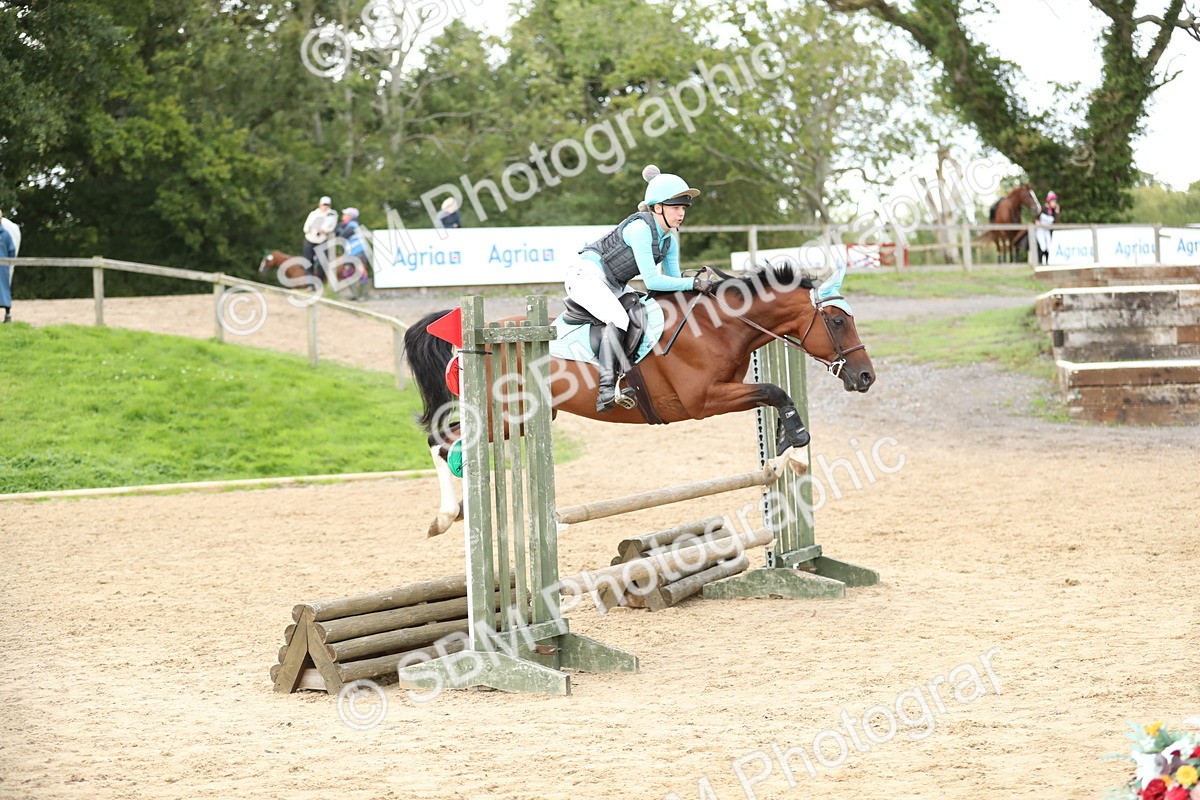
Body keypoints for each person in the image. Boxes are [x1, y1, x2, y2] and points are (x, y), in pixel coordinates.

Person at [565, 164, 717, 412]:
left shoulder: (669, 241)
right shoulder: (639, 229)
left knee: (645, 311)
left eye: (683, 208)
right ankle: (605, 390)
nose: (681, 214)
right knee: (619, 319)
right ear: (658, 208)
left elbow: (672, 285)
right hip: (585, 276)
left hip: (613, 284)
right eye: (675, 208)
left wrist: (698, 286)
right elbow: (653, 282)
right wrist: (694, 283)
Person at [334, 207, 370, 300]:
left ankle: (363, 295)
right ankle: (356, 294)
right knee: (347, 273)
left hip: (359, 252)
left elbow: (342, 236)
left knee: (362, 273)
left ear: (350, 216)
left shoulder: (353, 225)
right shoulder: (347, 225)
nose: (343, 216)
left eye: (345, 214)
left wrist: (338, 229)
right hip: (351, 253)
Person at [302, 196, 338, 282]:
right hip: (310, 239)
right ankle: (310, 283)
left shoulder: (332, 214)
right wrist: (312, 228)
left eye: (327, 205)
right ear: (320, 205)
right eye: (323, 204)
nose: (325, 206)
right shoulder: (313, 214)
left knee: (321, 263)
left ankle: (319, 282)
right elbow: (306, 228)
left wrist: (323, 230)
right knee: (308, 261)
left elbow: (331, 227)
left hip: (322, 240)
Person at [0, 210, 19, 323]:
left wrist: (9, 262)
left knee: (4, 289)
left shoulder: (5, 235)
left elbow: (12, 250)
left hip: (3, 268)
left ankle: (7, 314)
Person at [1036, 190, 1060, 265]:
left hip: (1047, 230)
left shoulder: (1054, 212)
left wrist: (1057, 212)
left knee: (1048, 246)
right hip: (1040, 230)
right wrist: (1036, 221)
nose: (1054, 202)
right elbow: (1036, 218)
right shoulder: (1043, 208)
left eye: (1055, 201)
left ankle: (1046, 263)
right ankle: (1040, 263)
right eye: (1053, 201)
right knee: (1042, 246)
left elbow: (1056, 222)